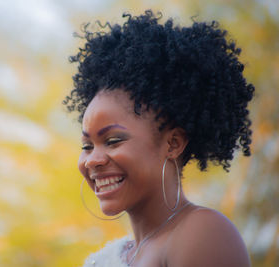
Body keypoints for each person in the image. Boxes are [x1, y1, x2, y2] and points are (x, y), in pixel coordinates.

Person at [63, 10, 254, 267]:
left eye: (112, 141)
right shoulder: (109, 258)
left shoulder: (201, 233)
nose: (92, 160)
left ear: (172, 144)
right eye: (87, 145)